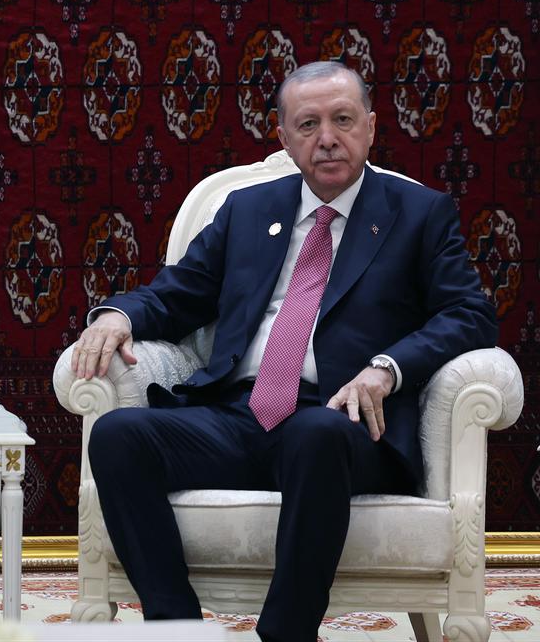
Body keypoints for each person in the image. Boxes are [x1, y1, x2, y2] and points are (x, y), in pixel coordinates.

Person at [71, 61, 497, 641]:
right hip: (240, 414)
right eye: (308, 124)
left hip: (344, 426)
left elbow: (470, 314)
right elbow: (179, 293)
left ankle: (286, 633)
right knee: (118, 435)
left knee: (313, 432)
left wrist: (387, 369)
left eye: (343, 120)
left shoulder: (418, 214)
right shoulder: (248, 210)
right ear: (284, 137)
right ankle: (175, 627)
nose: (327, 138)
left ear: (370, 127)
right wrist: (118, 315)